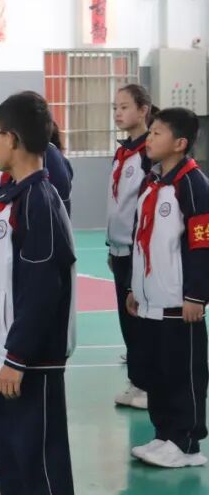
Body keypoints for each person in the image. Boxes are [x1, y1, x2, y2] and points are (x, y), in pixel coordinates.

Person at [0, 91, 76, 495]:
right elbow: (4, 285)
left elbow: (42, 288)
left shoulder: (38, 203)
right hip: (10, 354)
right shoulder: (13, 199)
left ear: (12, 139)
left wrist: (16, 355)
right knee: (12, 461)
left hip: (31, 361)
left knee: (39, 466)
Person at [127, 107, 209, 468]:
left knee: (183, 375)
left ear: (180, 143)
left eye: (157, 133)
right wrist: (135, 289)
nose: (149, 138)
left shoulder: (193, 185)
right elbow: (142, 242)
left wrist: (196, 295)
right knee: (156, 374)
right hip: (150, 302)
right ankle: (164, 435)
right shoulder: (152, 183)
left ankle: (187, 444)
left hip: (179, 304)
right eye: (150, 132)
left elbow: (202, 245)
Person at [107, 84, 155, 409]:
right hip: (119, 249)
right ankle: (137, 381)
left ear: (143, 110)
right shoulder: (122, 153)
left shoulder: (148, 155)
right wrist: (112, 245)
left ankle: (146, 385)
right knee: (127, 320)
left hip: (138, 252)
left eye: (125, 107)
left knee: (139, 319)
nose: (118, 113)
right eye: (115, 108)